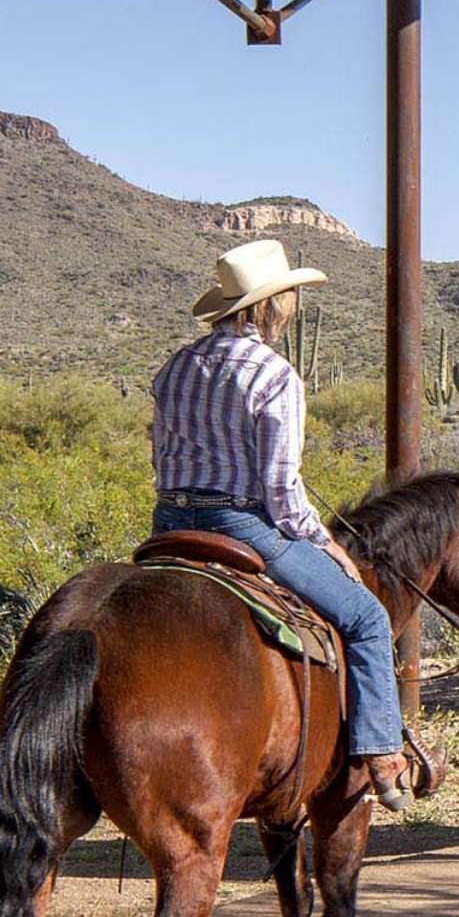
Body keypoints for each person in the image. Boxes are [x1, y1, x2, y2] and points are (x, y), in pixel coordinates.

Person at [149, 238, 416, 812]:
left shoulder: (174, 368)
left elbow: (162, 457)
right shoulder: (275, 376)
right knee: (367, 616)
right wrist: (326, 545)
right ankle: (381, 754)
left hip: (168, 522)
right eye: (289, 297)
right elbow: (282, 496)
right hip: (240, 526)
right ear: (271, 307)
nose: (292, 306)